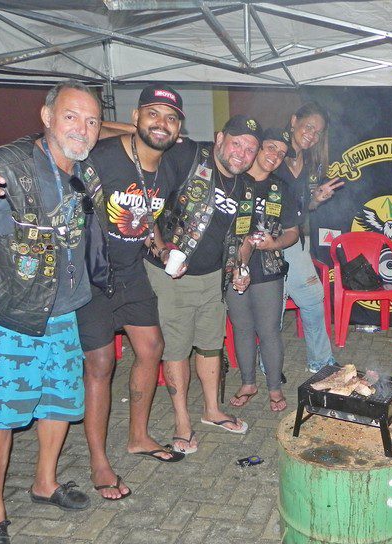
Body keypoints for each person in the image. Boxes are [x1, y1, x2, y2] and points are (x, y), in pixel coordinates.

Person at [0, 84, 193, 498]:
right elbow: (50, 158)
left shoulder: (162, 164)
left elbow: (147, 212)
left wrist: (161, 248)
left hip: (112, 278)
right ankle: (94, 463)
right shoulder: (88, 157)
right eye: (152, 114)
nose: (162, 124)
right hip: (79, 277)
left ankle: (131, 440)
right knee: (95, 365)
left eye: (171, 118)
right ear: (136, 117)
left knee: (147, 349)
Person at [0, 80, 102, 544]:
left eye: (91, 121)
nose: (81, 128)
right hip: (6, 314)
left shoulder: (84, 170)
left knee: (58, 403)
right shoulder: (7, 164)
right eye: (71, 116)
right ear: (46, 116)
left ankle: (45, 482)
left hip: (62, 311)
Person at [144, 115, 258, 449]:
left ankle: (212, 410)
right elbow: (149, 206)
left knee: (210, 344)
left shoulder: (247, 187)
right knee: (176, 348)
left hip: (213, 278)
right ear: (220, 138)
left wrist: (240, 267)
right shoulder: (189, 156)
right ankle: (182, 421)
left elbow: (243, 236)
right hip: (172, 276)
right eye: (236, 143)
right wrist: (162, 250)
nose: (242, 153)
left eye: (250, 149)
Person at [226, 128, 302, 412]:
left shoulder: (281, 189)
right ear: (257, 148)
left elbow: (293, 232)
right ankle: (248, 383)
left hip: (268, 268)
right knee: (242, 327)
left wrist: (275, 243)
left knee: (269, 329)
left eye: (281, 153)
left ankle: (274, 388)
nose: (275, 156)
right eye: (271, 148)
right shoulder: (232, 180)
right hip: (233, 265)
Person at [275, 102, 344, 373]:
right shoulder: (273, 153)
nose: (312, 135)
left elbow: (304, 208)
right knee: (272, 309)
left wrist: (316, 199)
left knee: (313, 299)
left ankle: (321, 361)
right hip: (267, 244)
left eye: (318, 132)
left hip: (295, 242)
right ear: (294, 120)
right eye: (309, 127)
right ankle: (268, 364)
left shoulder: (311, 164)